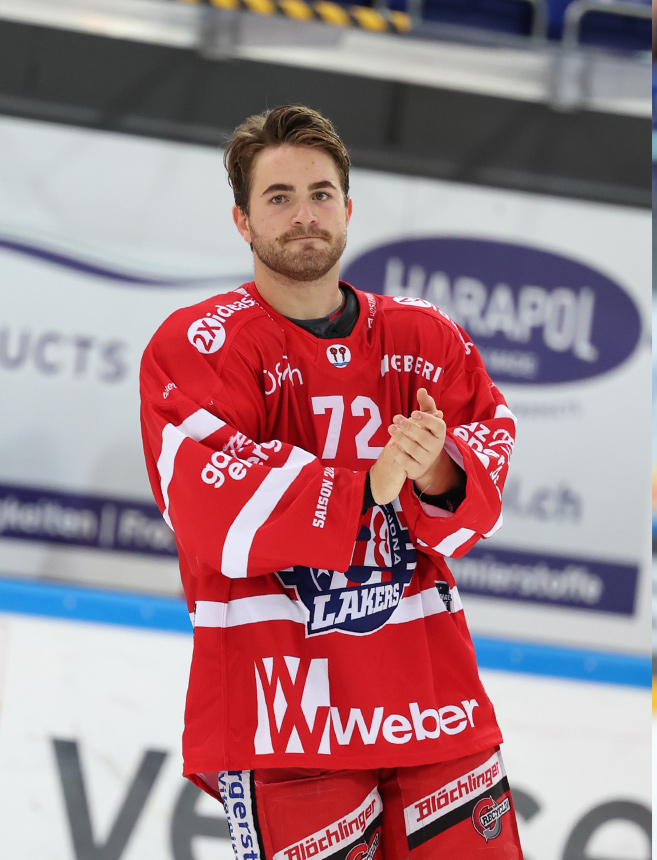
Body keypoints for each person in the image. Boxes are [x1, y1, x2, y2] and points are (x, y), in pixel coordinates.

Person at [139, 105, 521, 860]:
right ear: (243, 222)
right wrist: (368, 484)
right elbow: (211, 510)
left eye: (320, 194)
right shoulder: (198, 344)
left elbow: (477, 491)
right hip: (285, 719)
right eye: (278, 197)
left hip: (431, 707)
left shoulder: (425, 335)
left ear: (347, 210)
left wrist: (436, 468)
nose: (303, 214)